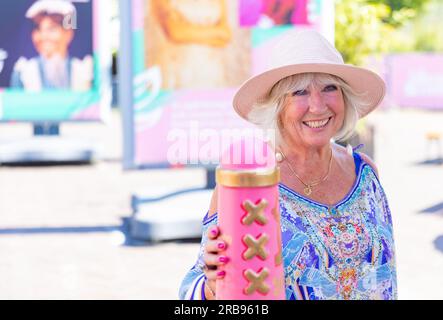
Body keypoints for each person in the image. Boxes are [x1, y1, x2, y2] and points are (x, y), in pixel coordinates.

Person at [179, 29, 397, 300]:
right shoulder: (248, 183)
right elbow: (192, 292)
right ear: (277, 106)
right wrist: (213, 284)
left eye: (330, 88)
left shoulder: (365, 173)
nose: (317, 106)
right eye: (299, 92)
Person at [10, 0, 93, 91]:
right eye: (38, 28)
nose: (43, 36)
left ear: (68, 33)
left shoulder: (84, 72)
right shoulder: (23, 73)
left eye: (52, 29)